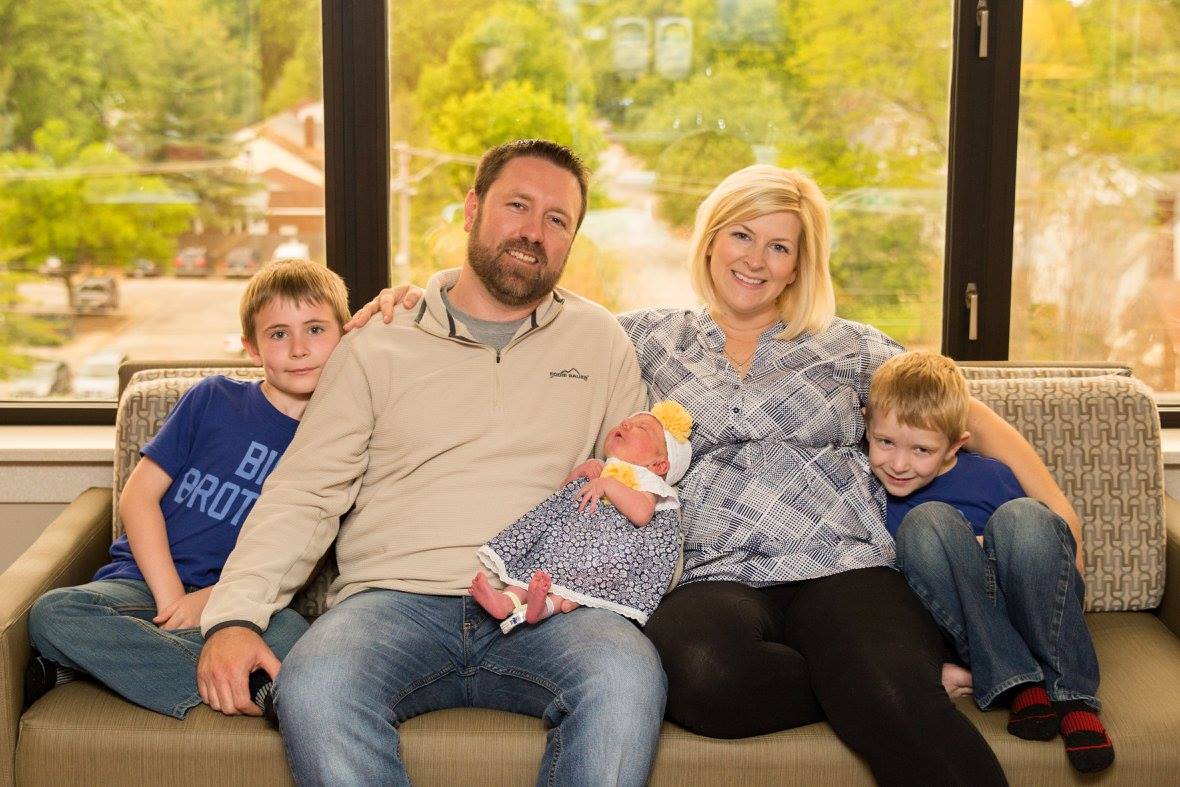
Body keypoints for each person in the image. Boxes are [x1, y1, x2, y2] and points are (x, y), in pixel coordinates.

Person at [357, 164, 1085, 785]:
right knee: (701, 676)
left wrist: (1058, 507)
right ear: (711, 240)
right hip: (710, 573)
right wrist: (417, 298)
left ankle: (879, 678)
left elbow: (968, 415)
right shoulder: (641, 336)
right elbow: (518, 318)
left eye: (779, 246)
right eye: (742, 235)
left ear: (798, 265)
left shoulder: (848, 346)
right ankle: (858, 678)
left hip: (844, 566)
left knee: (891, 691)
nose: (756, 260)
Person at [196, 140, 664, 786]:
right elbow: (304, 495)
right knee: (315, 684)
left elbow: (636, 484)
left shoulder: (601, 339)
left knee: (628, 675)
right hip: (393, 604)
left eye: (557, 219)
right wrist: (234, 616)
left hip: (543, 609)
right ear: (472, 210)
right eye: (517, 205)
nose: (533, 231)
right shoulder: (378, 341)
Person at [25, 258, 349, 718]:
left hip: (242, 604)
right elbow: (138, 498)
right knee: (54, 613)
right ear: (252, 347)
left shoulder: (337, 438)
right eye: (279, 334)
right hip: (142, 586)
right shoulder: (213, 399)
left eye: (315, 329)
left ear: (344, 336)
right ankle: (247, 681)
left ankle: (86, 668)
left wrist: (212, 601)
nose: (299, 348)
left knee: (295, 634)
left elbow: (309, 549)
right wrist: (172, 599)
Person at [865, 351, 1112, 773]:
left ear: (954, 445)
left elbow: (1035, 556)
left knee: (1024, 515)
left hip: (1024, 607)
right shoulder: (868, 493)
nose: (899, 464)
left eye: (922, 449)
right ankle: (1019, 683)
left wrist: (983, 546)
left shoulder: (990, 475)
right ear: (866, 426)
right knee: (928, 522)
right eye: (885, 442)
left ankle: (1073, 697)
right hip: (963, 622)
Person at [471, 400, 692, 631]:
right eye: (627, 421)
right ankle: (507, 601)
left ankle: (542, 608)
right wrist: (579, 473)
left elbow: (642, 514)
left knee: (573, 590)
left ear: (659, 465)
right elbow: (563, 497)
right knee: (534, 570)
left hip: (604, 554)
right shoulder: (600, 467)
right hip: (566, 545)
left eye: (642, 428)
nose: (626, 424)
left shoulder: (647, 479)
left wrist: (608, 485)